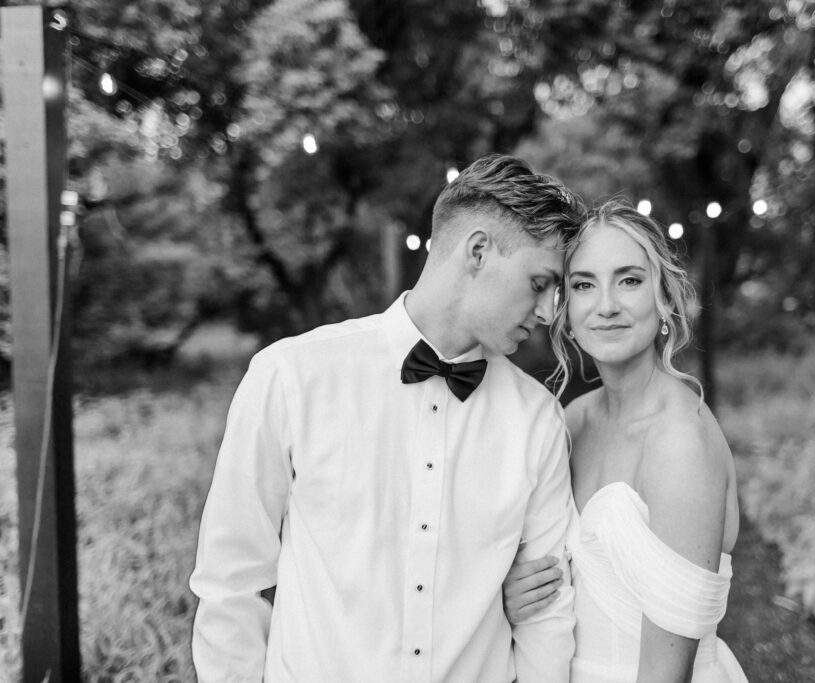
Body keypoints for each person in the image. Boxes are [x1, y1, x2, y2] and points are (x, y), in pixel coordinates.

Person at [190, 154, 585, 682]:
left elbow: (548, 615)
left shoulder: (537, 419)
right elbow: (229, 582)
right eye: (539, 282)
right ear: (478, 252)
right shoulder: (292, 377)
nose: (546, 312)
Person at [502, 199, 748, 683]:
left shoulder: (680, 441)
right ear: (566, 309)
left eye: (629, 280)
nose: (607, 305)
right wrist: (514, 594)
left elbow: (665, 673)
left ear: (664, 299)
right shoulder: (572, 421)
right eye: (584, 285)